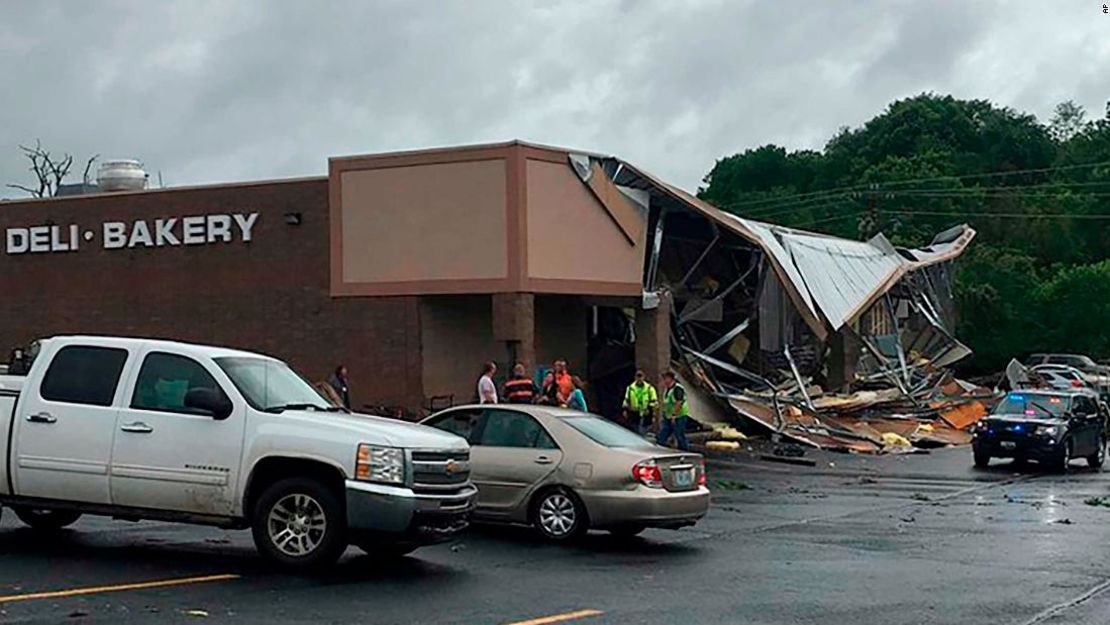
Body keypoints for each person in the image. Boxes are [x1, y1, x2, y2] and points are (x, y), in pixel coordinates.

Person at [657, 370, 690, 451]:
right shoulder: (668, 389)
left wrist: (674, 415)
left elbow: (679, 402)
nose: (664, 381)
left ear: (671, 379)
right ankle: (660, 448)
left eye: (666, 379)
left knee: (679, 435)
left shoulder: (677, 389)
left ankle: (684, 451)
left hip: (679, 416)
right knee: (663, 434)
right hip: (669, 416)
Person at [623, 369, 659, 434]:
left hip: (646, 414)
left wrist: (651, 410)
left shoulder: (649, 388)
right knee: (635, 430)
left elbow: (654, 401)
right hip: (634, 413)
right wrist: (625, 410)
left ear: (644, 377)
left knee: (643, 430)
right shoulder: (630, 388)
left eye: (641, 376)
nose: (639, 378)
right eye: (638, 376)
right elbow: (626, 400)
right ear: (635, 377)